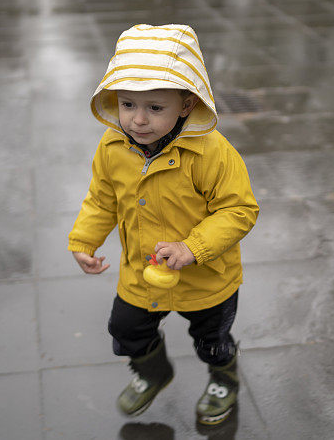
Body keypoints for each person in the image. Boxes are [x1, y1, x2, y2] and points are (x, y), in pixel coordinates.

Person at [68, 23, 259, 425]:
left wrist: (194, 248)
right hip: (143, 271)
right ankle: (154, 371)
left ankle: (224, 377)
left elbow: (239, 210)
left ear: (187, 104)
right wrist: (85, 239)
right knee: (125, 329)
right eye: (127, 104)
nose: (137, 120)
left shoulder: (211, 153)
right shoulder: (112, 145)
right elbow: (103, 197)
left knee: (212, 340)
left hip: (208, 277)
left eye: (155, 108)